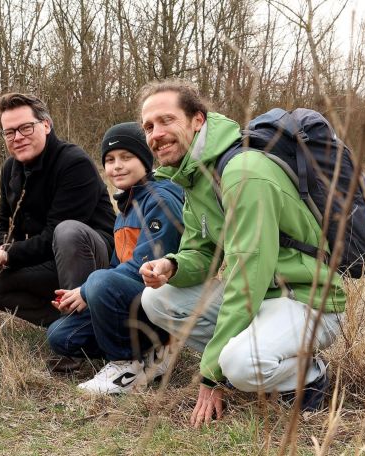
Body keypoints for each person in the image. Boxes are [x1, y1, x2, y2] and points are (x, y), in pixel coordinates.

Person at [136, 80, 346, 426]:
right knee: (157, 299)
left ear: (198, 121)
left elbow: (247, 276)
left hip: (307, 299)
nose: (156, 134)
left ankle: (309, 375)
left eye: (166, 120)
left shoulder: (242, 173)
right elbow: (203, 254)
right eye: (148, 126)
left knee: (239, 364)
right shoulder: (194, 176)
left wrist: (212, 375)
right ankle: (242, 359)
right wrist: (172, 266)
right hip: (265, 297)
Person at [46, 122, 184, 394]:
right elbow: (116, 265)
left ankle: (124, 365)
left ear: (145, 160)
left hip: (161, 302)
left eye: (126, 157)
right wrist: (83, 297)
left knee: (99, 281)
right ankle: (152, 355)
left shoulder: (159, 199)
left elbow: (146, 268)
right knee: (60, 335)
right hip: (135, 303)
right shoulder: (124, 208)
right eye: (109, 160)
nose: (117, 166)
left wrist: (88, 289)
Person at [0, 93, 116, 330]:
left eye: (26, 128)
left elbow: (56, 233)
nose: (18, 137)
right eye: (9, 132)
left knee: (67, 232)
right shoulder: (10, 168)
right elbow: (4, 222)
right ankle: (66, 325)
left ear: (46, 125)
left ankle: (76, 336)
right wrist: (2, 250)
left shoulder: (74, 163)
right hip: (44, 258)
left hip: (90, 261)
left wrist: (10, 255)